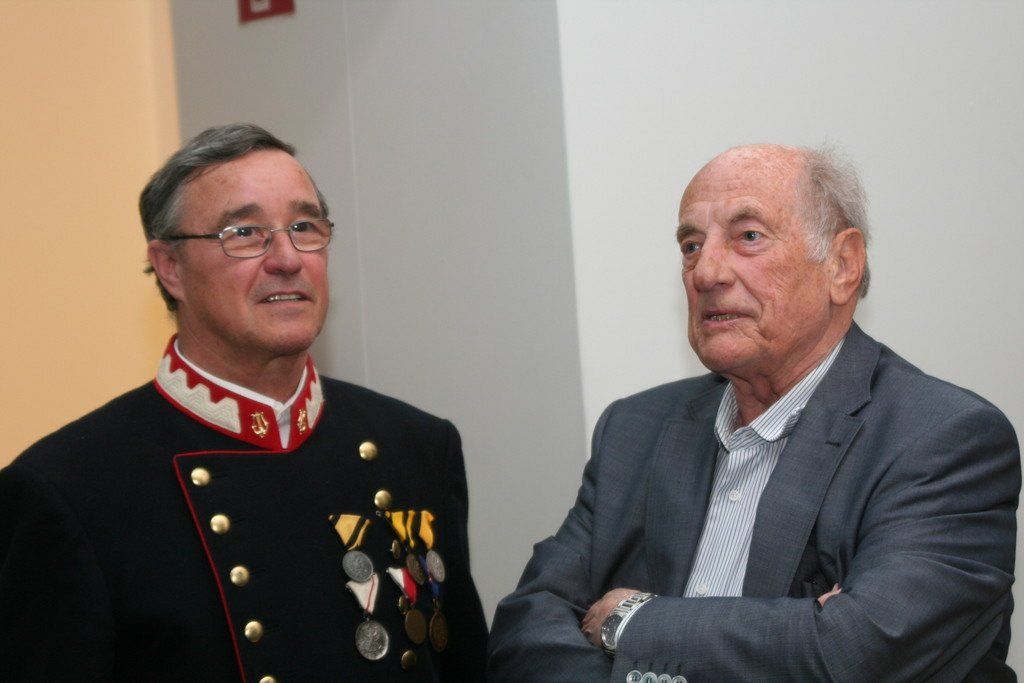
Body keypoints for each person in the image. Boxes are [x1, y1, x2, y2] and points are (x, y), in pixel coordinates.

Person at [487, 144, 1020, 682]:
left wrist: (631, 622)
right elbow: (523, 631)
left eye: (748, 237)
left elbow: (854, 653)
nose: (706, 272)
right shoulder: (633, 430)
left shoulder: (943, 437)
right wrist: (791, 630)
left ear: (843, 265)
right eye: (691, 245)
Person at [0, 123, 488, 682]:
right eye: (245, 233)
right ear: (170, 267)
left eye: (304, 227)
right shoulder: (69, 488)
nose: (287, 258)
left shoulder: (418, 446)